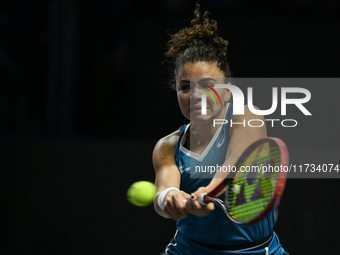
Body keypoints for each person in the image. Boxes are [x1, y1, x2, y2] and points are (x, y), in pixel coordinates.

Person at [153, 4, 288, 255]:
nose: (195, 95)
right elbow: (162, 191)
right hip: (187, 251)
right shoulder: (168, 146)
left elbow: (238, 160)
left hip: (255, 252)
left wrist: (210, 189)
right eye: (185, 87)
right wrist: (170, 199)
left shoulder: (247, 115)